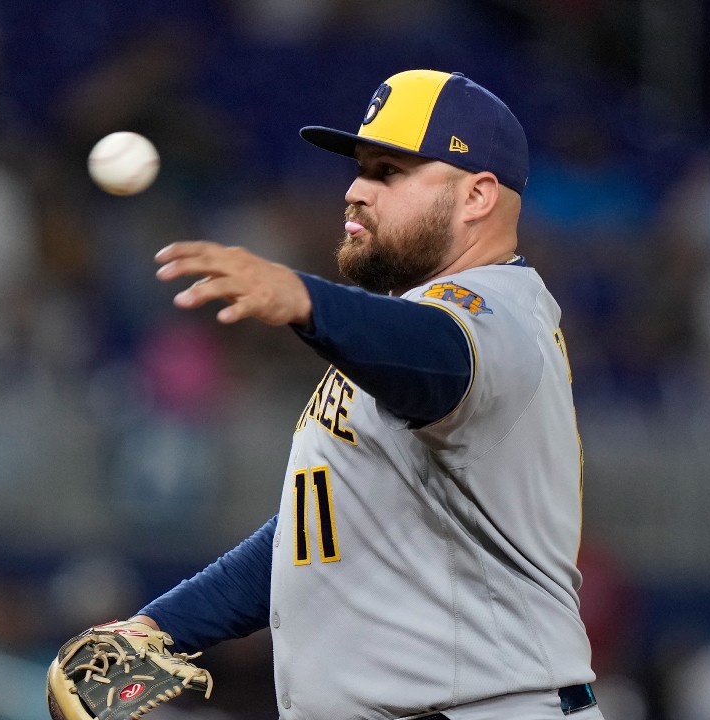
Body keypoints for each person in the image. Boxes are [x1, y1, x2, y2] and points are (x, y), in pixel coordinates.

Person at [128, 69, 598, 720]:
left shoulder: (500, 314)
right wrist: (158, 632)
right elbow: (319, 533)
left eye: (388, 172)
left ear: (478, 196)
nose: (354, 191)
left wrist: (304, 299)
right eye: (359, 169)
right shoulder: (403, 327)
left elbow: (438, 356)